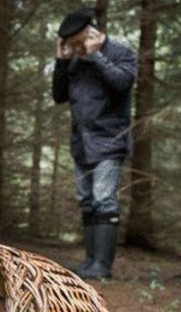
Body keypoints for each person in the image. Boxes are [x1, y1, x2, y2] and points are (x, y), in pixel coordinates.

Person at [52, 7, 137, 279]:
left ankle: (103, 267)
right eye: (71, 44)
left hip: (109, 141)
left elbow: (122, 83)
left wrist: (95, 56)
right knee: (87, 201)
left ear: (93, 33)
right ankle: (90, 262)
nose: (76, 48)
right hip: (82, 143)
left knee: (104, 200)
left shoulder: (120, 52)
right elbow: (59, 95)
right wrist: (62, 62)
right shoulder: (74, 61)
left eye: (78, 42)